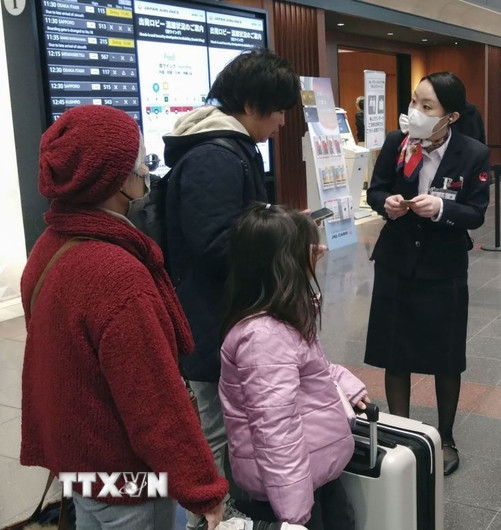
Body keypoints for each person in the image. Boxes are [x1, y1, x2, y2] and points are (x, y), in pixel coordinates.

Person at [20, 105, 228, 530]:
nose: (147, 175)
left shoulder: (48, 247)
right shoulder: (117, 275)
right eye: (143, 164)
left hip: (82, 468)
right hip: (128, 482)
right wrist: (201, 488)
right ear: (116, 180)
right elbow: (153, 402)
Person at [162, 48, 301, 530]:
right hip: (209, 319)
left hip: (224, 317)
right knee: (215, 427)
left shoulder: (232, 148)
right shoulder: (213, 157)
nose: (282, 121)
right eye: (279, 109)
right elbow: (216, 244)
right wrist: (284, 240)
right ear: (250, 103)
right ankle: (217, 517)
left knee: (225, 420)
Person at [365, 72, 491, 476]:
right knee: (395, 352)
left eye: (426, 106)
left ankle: (446, 437)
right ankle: (400, 432)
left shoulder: (471, 154)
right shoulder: (395, 144)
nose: (414, 112)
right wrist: (390, 202)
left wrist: (440, 209)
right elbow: (375, 190)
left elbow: (475, 212)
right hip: (396, 262)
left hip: (444, 267)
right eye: (414, 102)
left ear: (449, 116)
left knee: (445, 357)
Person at [220, 204, 368, 528]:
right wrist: (294, 518)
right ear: (283, 264)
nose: (320, 253)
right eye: (308, 249)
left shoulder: (282, 318)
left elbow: (311, 367)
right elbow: (277, 432)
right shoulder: (263, 337)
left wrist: (344, 383)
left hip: (312, 472)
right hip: (289, 492)